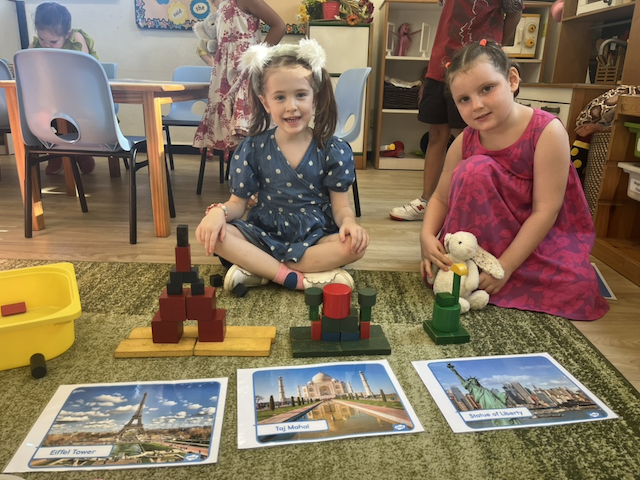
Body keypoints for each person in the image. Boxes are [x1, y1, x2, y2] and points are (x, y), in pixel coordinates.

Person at [420, 39, 609, 321]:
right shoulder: (465, 140)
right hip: (479, 245)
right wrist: (426, 237)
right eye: (464, 99)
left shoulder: (547, 131)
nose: (477, 105)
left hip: (532, 242)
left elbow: (546, 210)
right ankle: (474, 272)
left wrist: (505, 267)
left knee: (579, 289)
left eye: (487, 88)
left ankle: (491, 277)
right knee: (474, 171)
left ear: (512, 80)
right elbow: (440, 197)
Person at [195, 39, 369, 291]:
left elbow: (341, 207)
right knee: (216, 234)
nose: (291, 107)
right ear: (265, 103)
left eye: (301, 95)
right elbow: (237, 204)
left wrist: (349, 224)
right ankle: (297, 277)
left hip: (315, 237)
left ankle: (261, 269)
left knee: (355, 246)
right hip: (263, 234)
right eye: (280, 97)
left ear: (315, 98)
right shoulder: (252, 147)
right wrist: (216, 213)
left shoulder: (332, 149)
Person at [389, 0, 523, 221]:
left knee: (470, 136)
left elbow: (515, 13)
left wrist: (493, 48)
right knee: (436, 133)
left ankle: (464, 205)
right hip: (441, 64)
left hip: (478, 64)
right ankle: (426, 201)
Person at [193, 0, 285, 162]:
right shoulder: (222, 4)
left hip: (245, 71)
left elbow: (279, 26)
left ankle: (251, 170)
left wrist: (257, 56)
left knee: (246, 125)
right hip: (224, 73)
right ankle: (239, 171)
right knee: (230, 125)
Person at [30, 1, 97, 175]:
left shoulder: (76, 40)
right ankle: (55, 151)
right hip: (50, 98)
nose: (46, 45)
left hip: (80, 95)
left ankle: (77, 152)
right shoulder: (36, 45)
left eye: (53, 41)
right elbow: (27, 69)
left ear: (67, 34)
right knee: (36, 112)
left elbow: (83, 71)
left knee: (66, 110)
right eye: (42, 39)